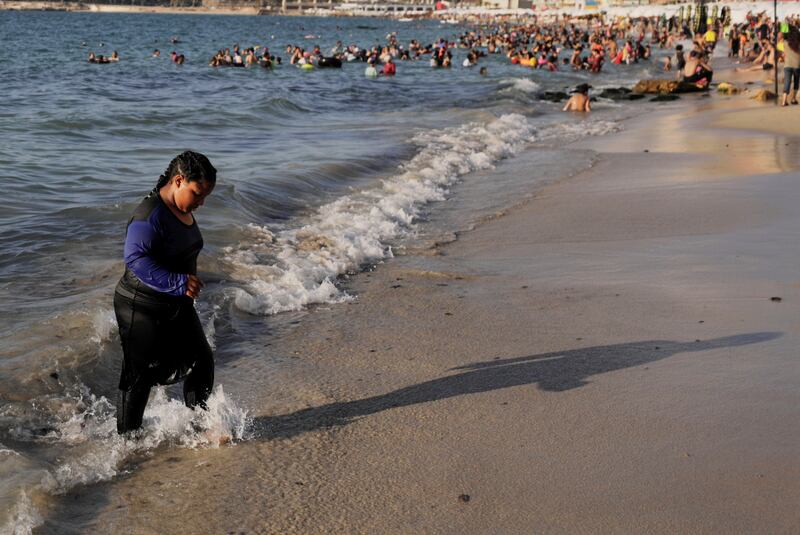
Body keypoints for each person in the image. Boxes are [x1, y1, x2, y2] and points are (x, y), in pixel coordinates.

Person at [113, 151, 217, 434]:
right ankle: (126, 443)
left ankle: (200, 426)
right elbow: (135, 259)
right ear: (179, 181)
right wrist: (179, 282)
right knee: (139, 377)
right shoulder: (149, 216)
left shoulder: (180, 209)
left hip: (175, 304)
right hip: (140, 305)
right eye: (197, 194)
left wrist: (182, 286)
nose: (201, 203)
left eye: (205, 197)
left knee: (201, 360)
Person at [782, 27, 800, 106]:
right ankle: (793, 99)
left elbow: (783, 34)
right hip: (797, 65)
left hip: (787, 65)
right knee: (796, 82)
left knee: (787, 82)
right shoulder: (798, 43)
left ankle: (784, 101)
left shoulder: (785, 42)